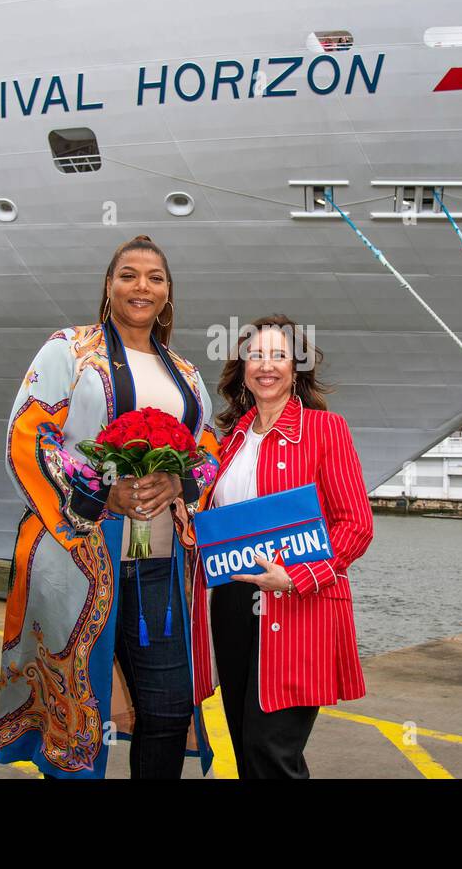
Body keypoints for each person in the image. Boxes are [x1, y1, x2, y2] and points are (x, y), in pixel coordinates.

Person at [0, 235, 221, 779]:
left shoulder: (186, 374)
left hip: (160, 568)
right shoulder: (68, 349)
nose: (141, 286)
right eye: (128, 274)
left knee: (168, 708)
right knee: (75, 711)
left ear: (168, 294)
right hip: (77, 560)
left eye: (154, 277)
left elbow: (209, 445)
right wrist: (103, 491)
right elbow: (27, 436)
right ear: (109, 285)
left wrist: (180, 484)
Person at [174, 313, 373, 778]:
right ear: (242, 367)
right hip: (231, 603)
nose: (267, 365)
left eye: (279, 355)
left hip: (297, 604)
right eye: (255, 355)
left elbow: (356, 526)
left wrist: (296, 577)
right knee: (245, 748)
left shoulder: (326, 431)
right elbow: (217, 525)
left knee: (272, 752)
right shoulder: (229, 442)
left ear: (296, 368)